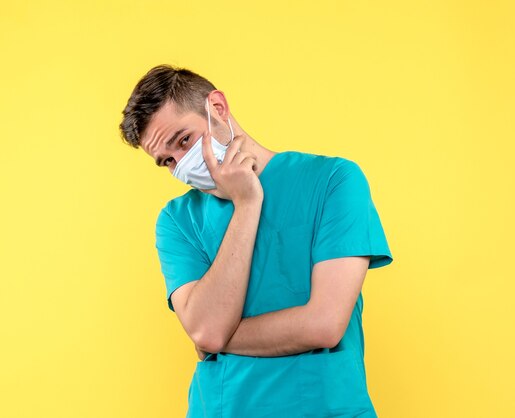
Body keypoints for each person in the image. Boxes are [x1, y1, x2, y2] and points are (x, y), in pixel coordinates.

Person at [118, 64, 393, 417]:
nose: (182, 165)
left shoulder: (333, 181)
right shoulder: (177, 220)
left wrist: (217, 338)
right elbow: (205, 330)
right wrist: (247, 204)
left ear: (217, 108)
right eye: (167, 161)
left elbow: (325, 324)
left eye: (184, 141)